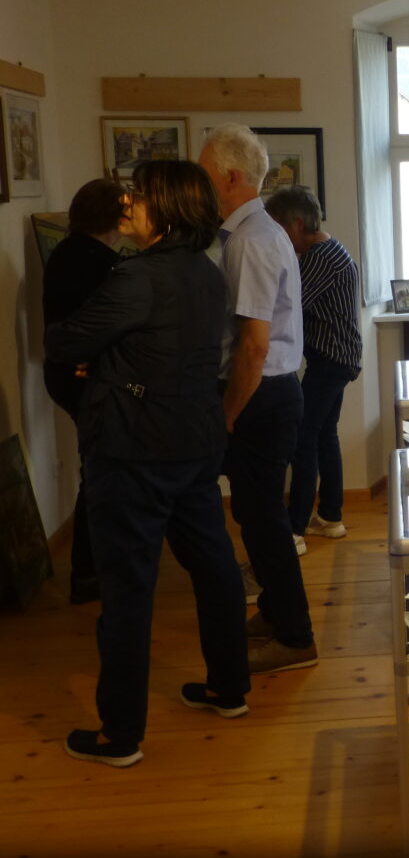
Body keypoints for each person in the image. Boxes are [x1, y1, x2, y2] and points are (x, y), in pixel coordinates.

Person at [45, 160, 251, 767]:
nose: (128, 202)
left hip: (133, 449)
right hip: (193, 441)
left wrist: (99, 356)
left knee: (128, 588)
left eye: (139, 194)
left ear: (167, 208)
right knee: (213, 565)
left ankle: (120, 735)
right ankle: (228, 688)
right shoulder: (206, 272)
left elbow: (63, 341)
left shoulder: (137, 276)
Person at [199, 124, 316, 674]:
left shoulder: (251, 239)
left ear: (229, 177)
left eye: (203, 173)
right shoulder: (255, 233)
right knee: (255, 514)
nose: (198, 183)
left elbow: (253, 345)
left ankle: (295, 637)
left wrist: (226, 415)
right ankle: (275, 613)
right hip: (267, 392)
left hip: (260, 395)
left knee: (265, 520)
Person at [264, 186, 362, 553]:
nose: (276, 236)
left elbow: (290, 306)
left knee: (303, 438)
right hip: (339, 357)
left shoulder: (319, 258)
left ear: (296, 224)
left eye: (277, 227)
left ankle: (295, 529)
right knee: (323, 435)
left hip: (331, 359)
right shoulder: (330, 250)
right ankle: (330, 517)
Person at [42, 178, 126, 604]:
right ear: (116, 217)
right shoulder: (97, 262)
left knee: (98, 471)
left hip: (70, 375)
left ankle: (92, 569)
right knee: (101, 474)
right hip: (84, 376)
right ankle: (90, 572)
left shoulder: (70, 252)